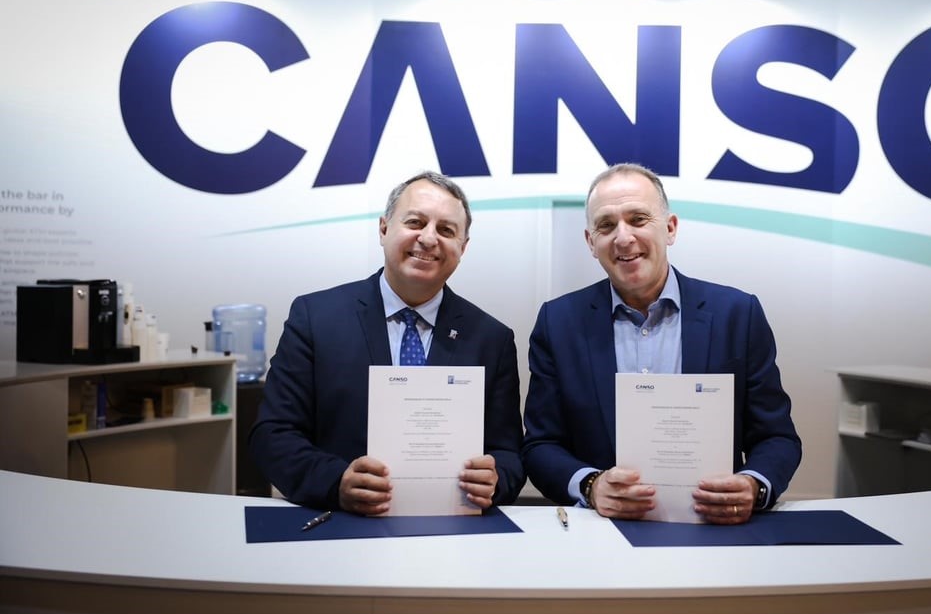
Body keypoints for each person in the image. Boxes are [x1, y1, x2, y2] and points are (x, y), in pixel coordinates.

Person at [521, 163, 801, 523]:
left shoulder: (737, 315)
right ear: (591, 242)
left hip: (714, 529)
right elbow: (540, 446)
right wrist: (591, 485)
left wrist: (753, 485)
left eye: (638, 219)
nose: (623, 238)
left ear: (670, 228)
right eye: (606, 225)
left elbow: (777, 437)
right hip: (602, 533)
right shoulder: (558, 323)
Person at [249, 171, 525, 514]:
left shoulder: (492, 339)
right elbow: (272, 435)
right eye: (415, 222)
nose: (428, 238)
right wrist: (336, 482)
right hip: (339, 524)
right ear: (383, 229)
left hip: (454, 529)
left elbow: (510, 456)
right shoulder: (315, 318)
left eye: (446, 230)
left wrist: (496, 479)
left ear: (463, 247)